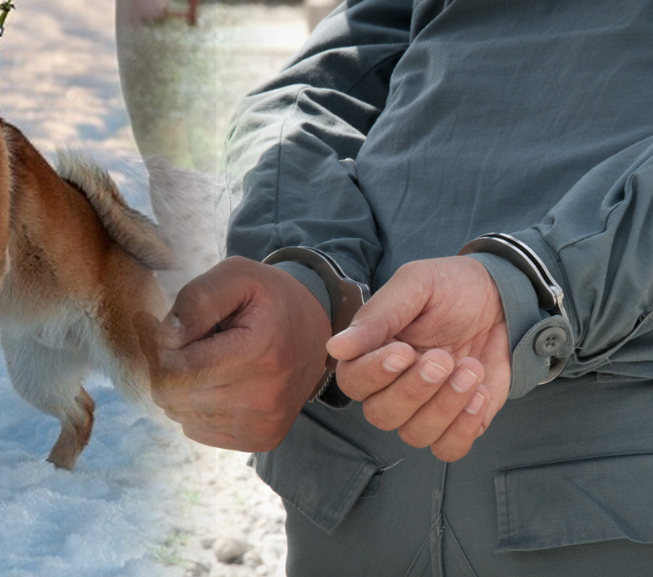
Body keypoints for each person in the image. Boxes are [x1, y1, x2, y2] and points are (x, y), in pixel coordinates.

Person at [135, 0, 653, 574]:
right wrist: (307, 272)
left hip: (599, 476)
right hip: (352, 481)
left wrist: (538, 285)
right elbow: (315, 90)